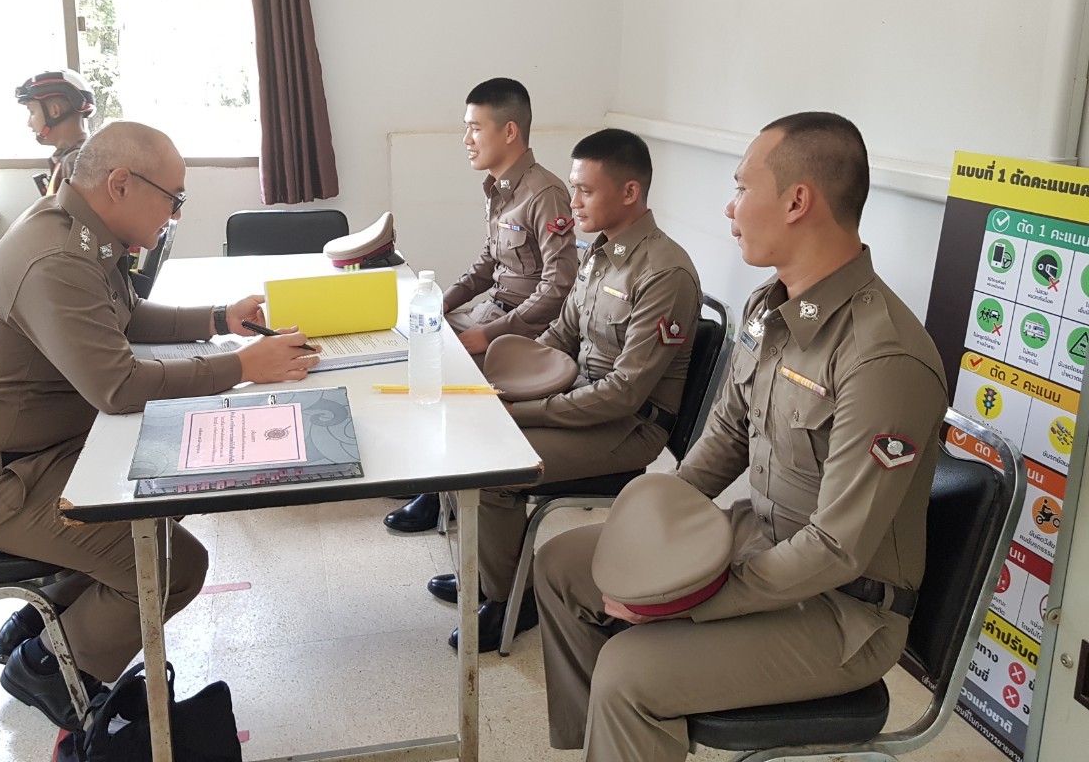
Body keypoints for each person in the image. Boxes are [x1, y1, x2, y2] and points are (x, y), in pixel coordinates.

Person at [534, 112, 949, 762]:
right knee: (563, 566)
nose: (729, 208)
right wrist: (654, 532)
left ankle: (626, 725)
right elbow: (727, 433)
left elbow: (835, 549)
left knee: (629, 670)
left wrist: (690, 599)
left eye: (741, 187)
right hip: (759, 538)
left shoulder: (882, 357)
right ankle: (608, 746)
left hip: (841, 611)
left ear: (797, 201)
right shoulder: (770, 309)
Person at [0, 121, 319, 729]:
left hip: (48, 452)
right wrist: (243, 367)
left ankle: (46, 614)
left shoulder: (79, 231)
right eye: (173, 196)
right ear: (120, 184)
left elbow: (127, 316)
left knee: (177, 482)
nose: (176, 212)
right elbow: (118, 388)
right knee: (171, 565)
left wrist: (219, 318)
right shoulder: (58, 257)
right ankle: (51, 668)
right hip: (0, 482)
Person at [429, 127, 701, 652]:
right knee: (472, 430)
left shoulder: (664, 273)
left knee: (493, 470)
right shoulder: (599, 253)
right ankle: (492, 579)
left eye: (585, 190)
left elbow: (624, 393)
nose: (572, 201)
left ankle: (511, 602)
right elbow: (560, 335)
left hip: (628, 427)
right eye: (573, 188)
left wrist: (526, 410)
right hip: (584, 400)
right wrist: (505, 378)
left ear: (630, 192)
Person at [384, 78, 578, 533]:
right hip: (495, 310)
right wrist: (437, 305)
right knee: (418, 337)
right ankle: (431, 473)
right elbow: (488, 264)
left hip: (527, 327)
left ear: (509, 131)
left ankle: (441, 492)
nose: (466, 139)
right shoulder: (500, 188)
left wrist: (486, 334)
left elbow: (558, 286)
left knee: (442, 361)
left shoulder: (544, 193)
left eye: (474, 128)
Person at [16, 69, 96, 196]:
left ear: (54, 111)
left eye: (32, 112)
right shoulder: (69, 158)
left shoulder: (77, 163)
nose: (29, 123)